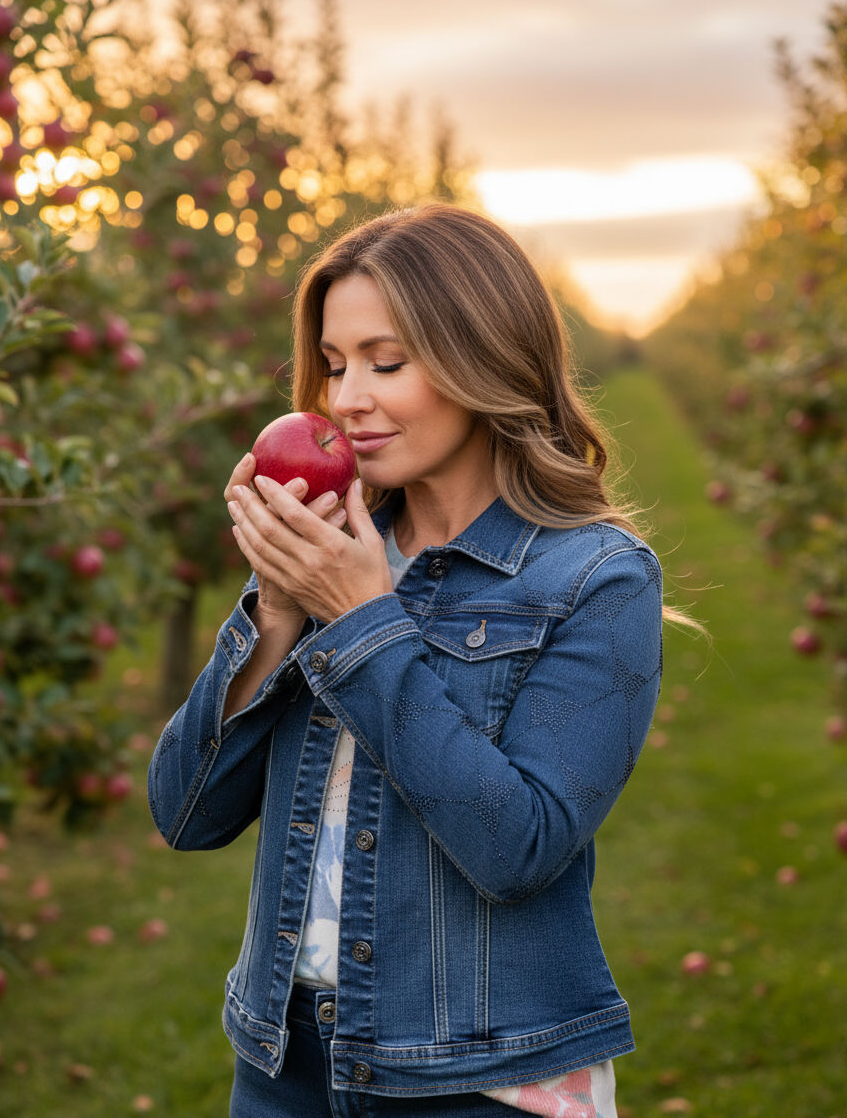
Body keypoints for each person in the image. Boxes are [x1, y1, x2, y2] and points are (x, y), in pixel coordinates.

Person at [148, 203, 673, 1118]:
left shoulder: (595, 578)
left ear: (485, 358)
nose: (348, 398)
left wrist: (361, 622)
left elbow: (518, 848)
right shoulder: (335, 553)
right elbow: (185, 813)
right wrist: (277, 610)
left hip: (482, 1082)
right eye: (336, 363)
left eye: (387, 363)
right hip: (285, 1066)